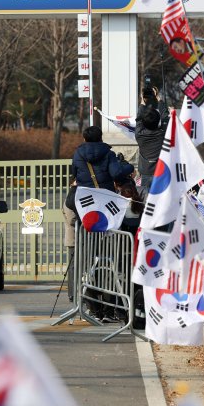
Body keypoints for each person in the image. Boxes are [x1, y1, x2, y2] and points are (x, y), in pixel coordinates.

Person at [63, 125, 134, 304]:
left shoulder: (78, 154)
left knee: (86, 251)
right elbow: (116, 173)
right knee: (108, 252)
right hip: (105, 206)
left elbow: (74, 174)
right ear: (101, 137)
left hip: (86, 207)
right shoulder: (108, 154)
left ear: (85, 138)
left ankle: (85, 293)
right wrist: (127, 167)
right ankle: (107, 293)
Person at [135, 86, 167, 196]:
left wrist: (142, 102)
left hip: (145, 172)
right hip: (160, 171)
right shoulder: (163, 133)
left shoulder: (139, 134)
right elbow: (165, 117)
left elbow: (139, 118)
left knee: (145, 201)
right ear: (158, 121)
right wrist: (159, 98)